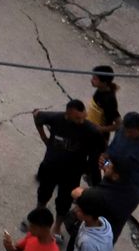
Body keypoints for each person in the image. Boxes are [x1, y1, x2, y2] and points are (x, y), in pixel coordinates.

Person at [87, 112, 139, 241]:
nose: (127, 135)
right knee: (96, 209)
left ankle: (105, 248)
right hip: (109, 182)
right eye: (126, 131)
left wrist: (121, 175)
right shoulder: (122, 131)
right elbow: (112, 150)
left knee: (113, 223)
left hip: (129, 193)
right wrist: (105, 159)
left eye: (131, 132)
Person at [32, 98, 104, 230]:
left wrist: (96, 167)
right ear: (68, 114)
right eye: (77, 118)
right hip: (51, 167)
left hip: (72, 174)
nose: (81, 121)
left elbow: (102, 151)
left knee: (64, 202)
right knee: (43, 194)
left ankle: (57, 227)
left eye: (83, 117)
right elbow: (37, 115)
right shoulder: (56, 118)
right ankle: (38, 217)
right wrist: (44, 138)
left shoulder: (91, 130)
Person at [86, 65, 122, 134]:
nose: (91, 80)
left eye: (95, 78)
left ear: (104, 82)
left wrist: (101, 129)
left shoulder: (109, 100)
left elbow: (119, 124)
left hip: (98, 137)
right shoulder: (100, 90)